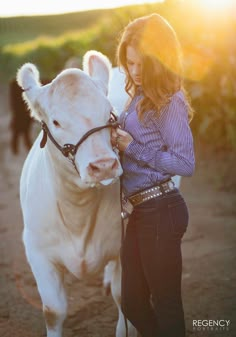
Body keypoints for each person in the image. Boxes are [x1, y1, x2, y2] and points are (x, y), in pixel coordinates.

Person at [111, 13, 195, 337]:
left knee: (166, 302)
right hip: (141, 211)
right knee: (131, 302)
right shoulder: (138, 99)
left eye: (141, 64)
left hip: (162, 209)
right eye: (129, 64)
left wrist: (132, 147)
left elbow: (185, 163)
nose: (134, 72)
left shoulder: (169, 101)